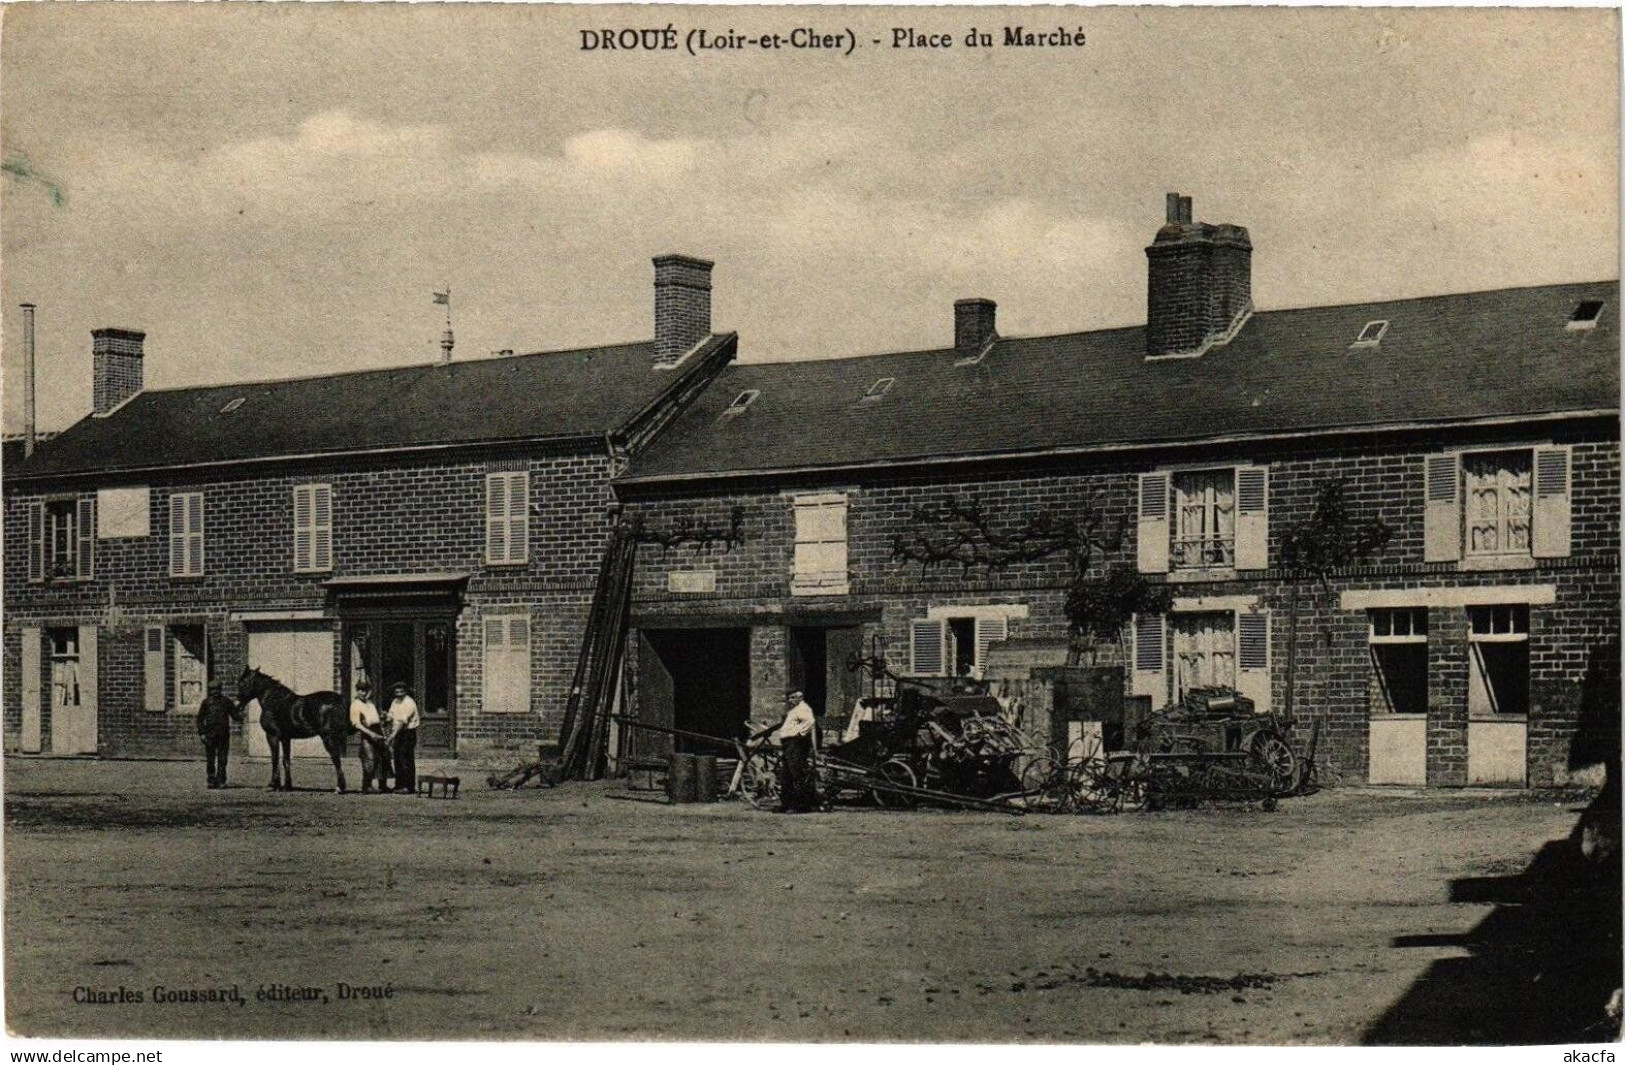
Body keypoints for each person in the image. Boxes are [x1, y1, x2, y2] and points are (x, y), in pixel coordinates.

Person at [775, 689, 819, 813]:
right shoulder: (794, 710)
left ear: (800, 697)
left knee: (796, 774)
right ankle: (786, 804)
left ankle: (800, 806)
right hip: (788, 743)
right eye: (790, 698)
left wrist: (799, 734)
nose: (791, 700)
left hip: (795, 744)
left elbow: (810, 722)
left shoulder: (803, 709)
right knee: (786, 774)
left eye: (793, 697)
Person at [196, 679, 244, 789]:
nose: (215, 692)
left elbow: (235, 716)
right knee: (210, 759)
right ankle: (211, 779)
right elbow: (200, 719)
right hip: (210, 735)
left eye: (217, 689)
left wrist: (240, 712)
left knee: (223, 759)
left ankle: (221, 780)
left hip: (223, 735)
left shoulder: (226, 702)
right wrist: (202, 733)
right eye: (212, 690)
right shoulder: (206, 703)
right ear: (209, 691)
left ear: (221, 689)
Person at [349, 679, 391, 793]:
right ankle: (366, 786)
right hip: (367, 732)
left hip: (378, 730)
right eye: (360, 690)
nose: (362, 693)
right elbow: (356, 723)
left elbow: (376, 718)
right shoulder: (355, 704)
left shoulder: (370, 703)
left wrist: (383, 723)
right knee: (370, 759)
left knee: (384, 757)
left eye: (365, 690)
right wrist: (371, 734)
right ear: (356, 691)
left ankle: (383, 785)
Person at [387, 681, 420, 794]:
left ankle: (409, 786)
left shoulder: (409, 703)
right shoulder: (395, 701)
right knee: (397, 758)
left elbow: (402, 722)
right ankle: (399, 784)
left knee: (406, 759)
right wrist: (386, 718)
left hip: (408, 733)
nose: (399, 693)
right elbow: (391, 714)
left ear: (405, 691)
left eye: (401, 691)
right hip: (399, 733)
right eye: (397, 691)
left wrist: (391, 737)